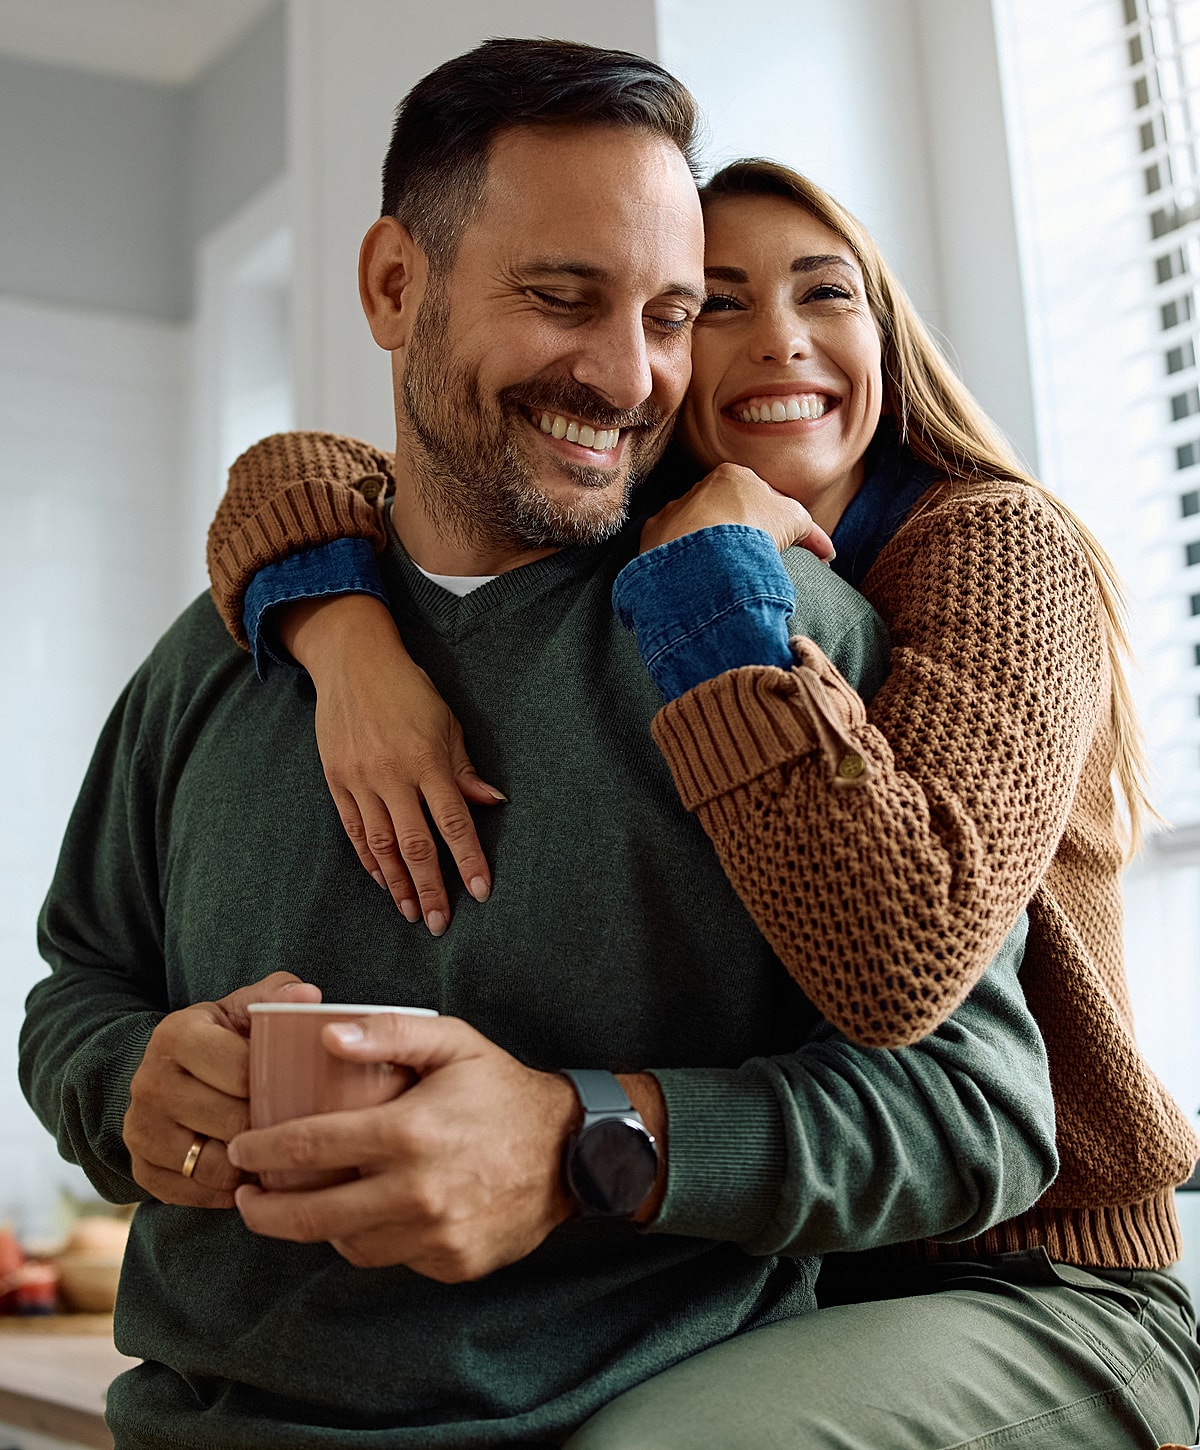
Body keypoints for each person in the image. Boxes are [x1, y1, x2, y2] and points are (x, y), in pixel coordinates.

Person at [20, 37, 1065, 1450]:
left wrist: (585, 1147)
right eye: (563, 298)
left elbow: (971, 1114)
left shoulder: (777, 633)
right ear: (396, 286)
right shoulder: (229, 645)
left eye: (669, 315)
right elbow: (78, 986)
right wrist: (133, 1084)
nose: (630, 378)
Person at [201, 145, 1200, 1448]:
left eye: (827, 292)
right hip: (762, 1273)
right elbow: (287, 472)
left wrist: (713, 585)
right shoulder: (621, 534)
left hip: (1027, 1275)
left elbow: (897, 958)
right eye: (715, 304)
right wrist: (347, 644)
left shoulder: (993, 545)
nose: (782, 339)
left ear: (885, 334)